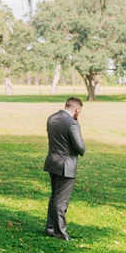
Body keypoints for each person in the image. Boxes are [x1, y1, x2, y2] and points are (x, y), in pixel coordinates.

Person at [43, 97, 85, 241]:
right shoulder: (72, 123)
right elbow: (80, 147)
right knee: (61, 202)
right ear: (77, 109)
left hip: (52, 162)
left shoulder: (52, 118)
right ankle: (60, 233)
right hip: (66, 165)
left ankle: (50, 227)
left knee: (54, 197)